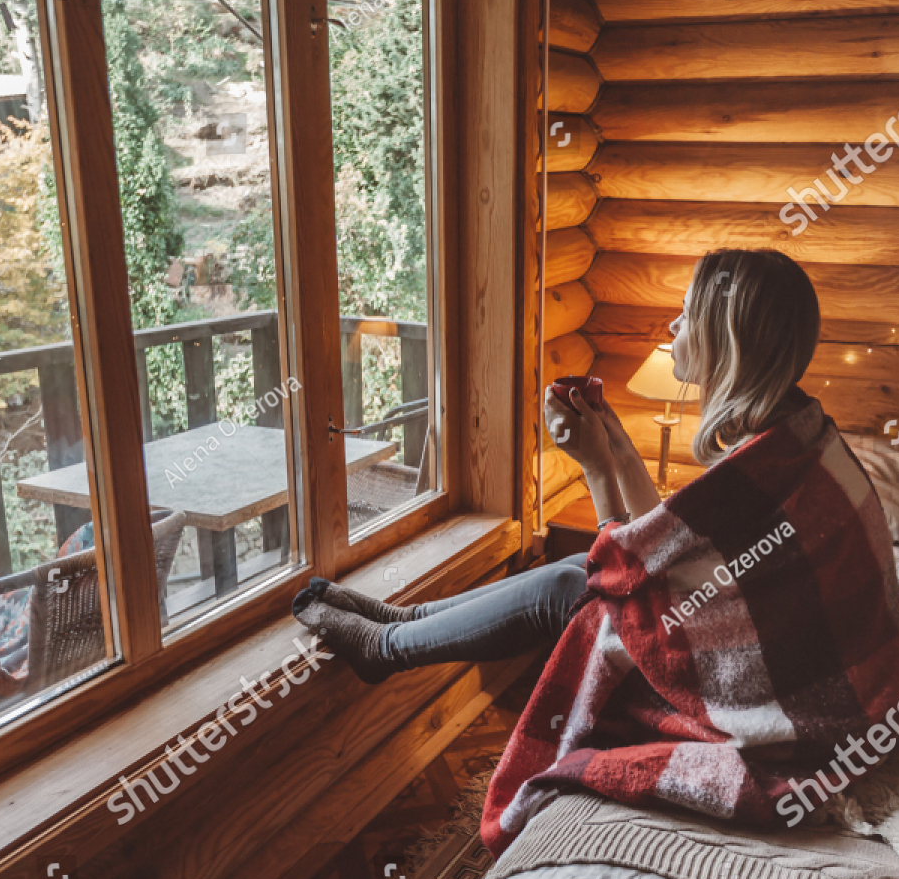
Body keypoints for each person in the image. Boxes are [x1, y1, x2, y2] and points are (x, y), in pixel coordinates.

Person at [292, 248, 850, 685]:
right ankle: (403, 624)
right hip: (769, 642)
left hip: (756, 676)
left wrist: (597, 469)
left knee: (571, 585)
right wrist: (618, 446)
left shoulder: (760, 469)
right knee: (572, 574)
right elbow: (675, 544)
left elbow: (625, 571)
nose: (673, 327)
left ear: (724, 341)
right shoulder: (794, 432)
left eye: (687, 315)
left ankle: (382, 649)